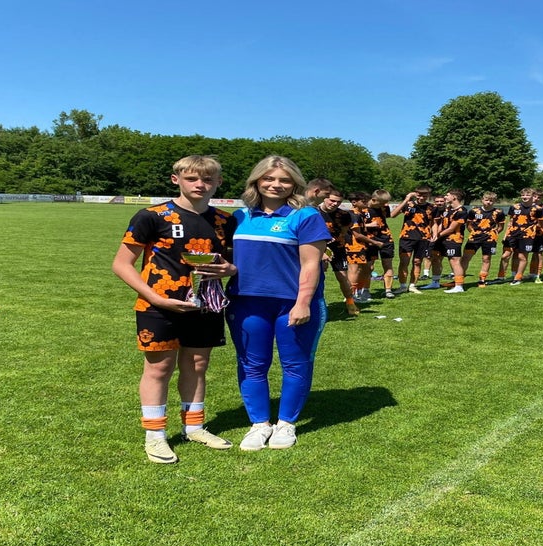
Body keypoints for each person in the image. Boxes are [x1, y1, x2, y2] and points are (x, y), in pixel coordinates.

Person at [111, 155, 238, 464]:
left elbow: (231, 263)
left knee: (197, 365)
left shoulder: (225, 220)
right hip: (158, 305)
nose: (200, 184)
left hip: (206, 304)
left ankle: (193, 427)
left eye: (207, 179)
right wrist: (155, 298)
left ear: (218, 183)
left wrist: (230, 269)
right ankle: (155, 435)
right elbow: (121, 264)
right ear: (176, 179)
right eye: (192, 178)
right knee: (159, 368)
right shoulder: (152, 216)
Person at [226, 155, 330, 450]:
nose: (276, 184)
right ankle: (259, 424)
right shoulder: (239, 217)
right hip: (246, 303)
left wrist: (303, 302)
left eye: (284, 180)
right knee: (252, 364)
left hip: (292, 304)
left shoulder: (305, 216)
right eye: (269, 178)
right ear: (256, 181)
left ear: (294, 184)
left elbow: (311, 264)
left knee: (295, 363)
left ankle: (286, 424)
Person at [317, 189, 360, 315]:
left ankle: (350, 302)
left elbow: (344, 232)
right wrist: (323, 249)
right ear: (325, 198)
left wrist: (334, 241)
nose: (335, 204)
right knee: (317, 277)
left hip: (338, 248)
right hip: (317, 248)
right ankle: (318, 303)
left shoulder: (344, 215)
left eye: (339, 202)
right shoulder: (313, 212)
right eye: (332, 200)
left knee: (342, 277)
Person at [391, 186, 434, 294]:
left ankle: (412, 285)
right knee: (404, 262)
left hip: (423, 238)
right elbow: (393, 215)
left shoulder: (431, 207)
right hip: (407, 237)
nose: (422, 198)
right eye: (419, 195)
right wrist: (406, 199)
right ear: (415, 194)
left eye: (424, 195)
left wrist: (434, 234)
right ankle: (402, 286)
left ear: (428, 195)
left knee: (417, 262)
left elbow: (433, 223)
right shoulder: (408, 204)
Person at [462, 192, 505, 288]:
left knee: (486, 259)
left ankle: (482, 279)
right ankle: (459, 278)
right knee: (466, 257)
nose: (488, 202)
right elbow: (468, 225)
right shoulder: (474, 211)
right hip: (474, 238)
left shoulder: (499, 212)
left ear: (494, 201)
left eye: (491, 200)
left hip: (489, 239)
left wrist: (493, 233)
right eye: (486, 200)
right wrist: (474, 232)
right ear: (482, 200)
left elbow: (501, 226)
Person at [433, 189, 470, 293]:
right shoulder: (447, 209)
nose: (445, 197)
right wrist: (436, 234)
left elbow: (451, 229)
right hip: (442, 239)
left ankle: (459, 286)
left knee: (454, 261)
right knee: (436, 258)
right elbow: (442, 223)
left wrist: (437, 236)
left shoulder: (462, 211)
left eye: (447, 195)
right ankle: (435, 282)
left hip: (454, 240)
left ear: (454, 197)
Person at [365, 189, 397, 297]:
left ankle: (388, 290)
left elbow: (389, 216)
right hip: (369, 240)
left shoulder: (384, 207)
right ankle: (365, 290)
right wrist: (369, 225)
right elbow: (354, 226)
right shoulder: (363, 208)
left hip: (386, 239)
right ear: (374, 200)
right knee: (369, 266)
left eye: (386, 203)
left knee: (387, 264)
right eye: (382, 203)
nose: (385, 205)